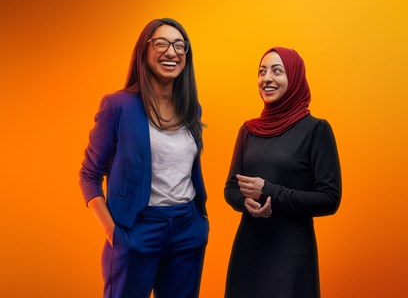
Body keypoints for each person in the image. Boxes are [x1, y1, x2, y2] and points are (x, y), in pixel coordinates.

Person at [79, 18, 209, 298]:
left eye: (179, 45)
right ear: (144, 51)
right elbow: (89, 175)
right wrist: (114, 233)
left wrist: (199, 223)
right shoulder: (119, 106)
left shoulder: (191, 109)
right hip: (137, 228)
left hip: (187, 229)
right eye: (161, 43)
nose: (171, 52)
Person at [224, 46, 342, 298]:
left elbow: (330, 199)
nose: (266, 78)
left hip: (291, 255)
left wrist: (269, 192)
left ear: (295, 78)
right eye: (261, 71)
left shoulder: (315, 130)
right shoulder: (248, 131)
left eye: (277, 71)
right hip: (249, 250)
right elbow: (230, 188)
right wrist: (246, 202)